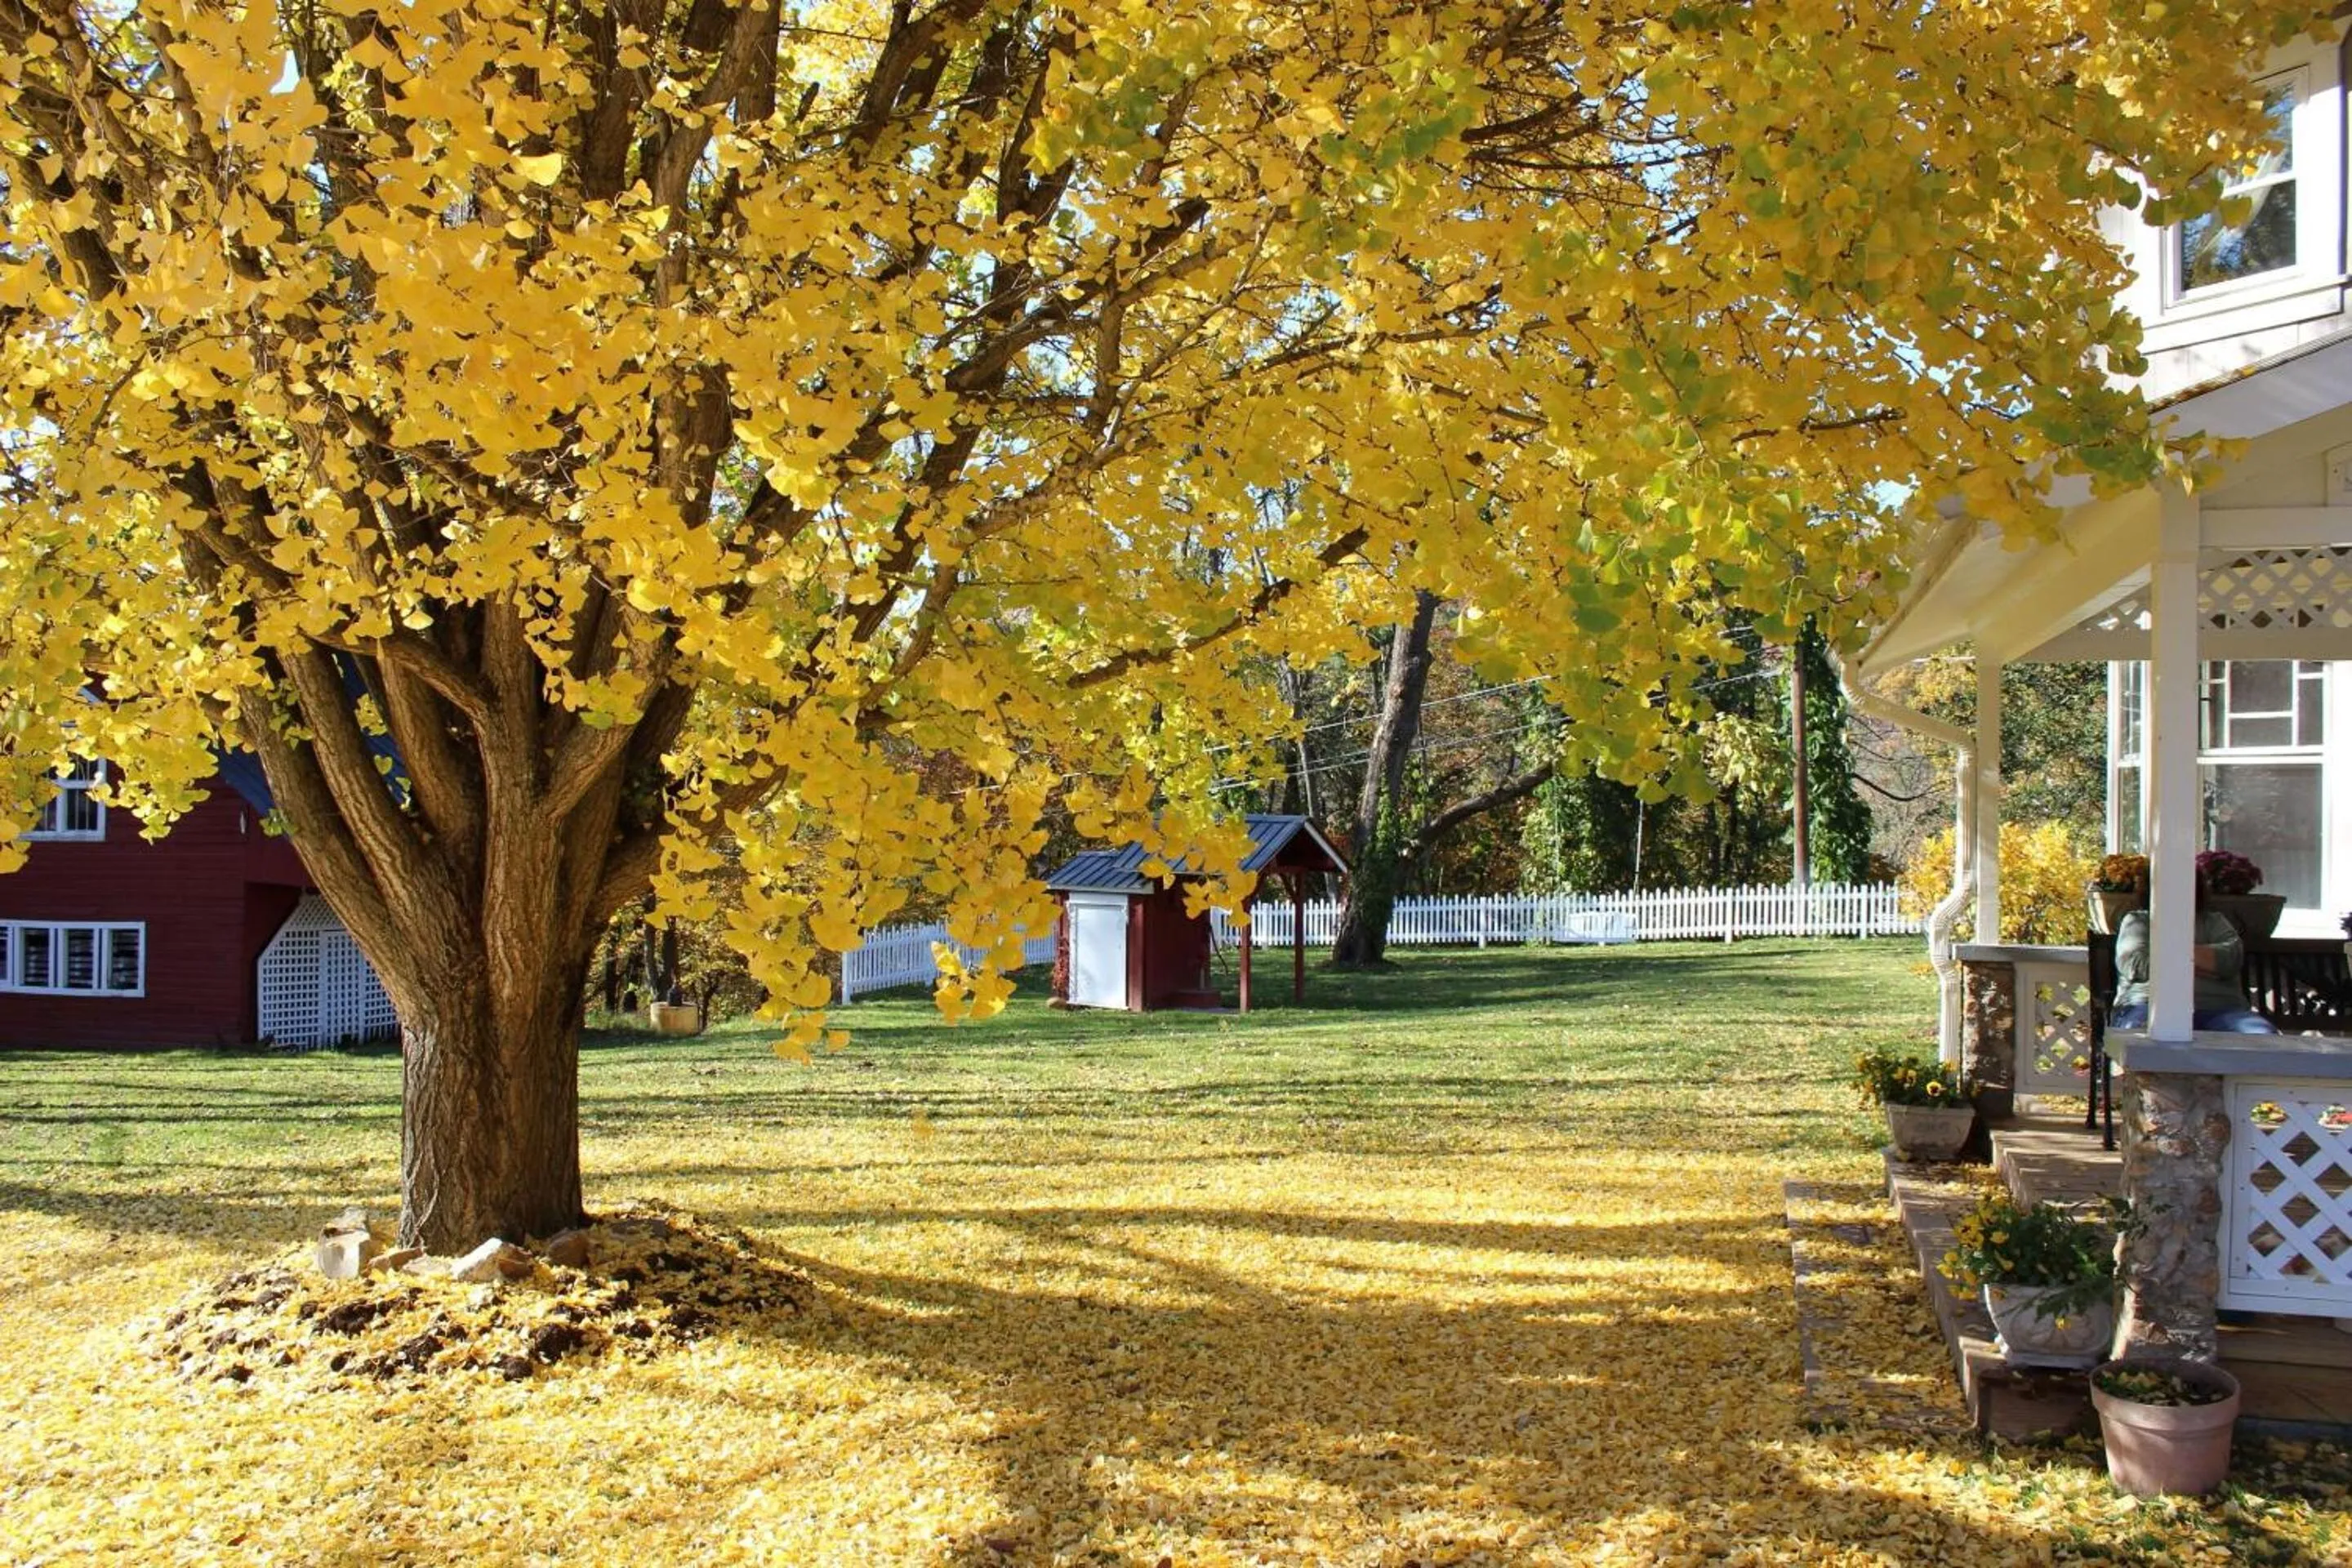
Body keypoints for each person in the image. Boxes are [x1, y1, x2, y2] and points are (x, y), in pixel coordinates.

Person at [2109, 867, 2277, 1035]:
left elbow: (2230, 959)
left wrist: (2169, 958)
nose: (2175, 891)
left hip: (2221, 1010)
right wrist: (2203, 962)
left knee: (2263, 1036)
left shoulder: (2214, 922)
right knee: (2142, 1038)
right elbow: (2138, 965)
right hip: (2149, 1006)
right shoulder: (2138, 922)